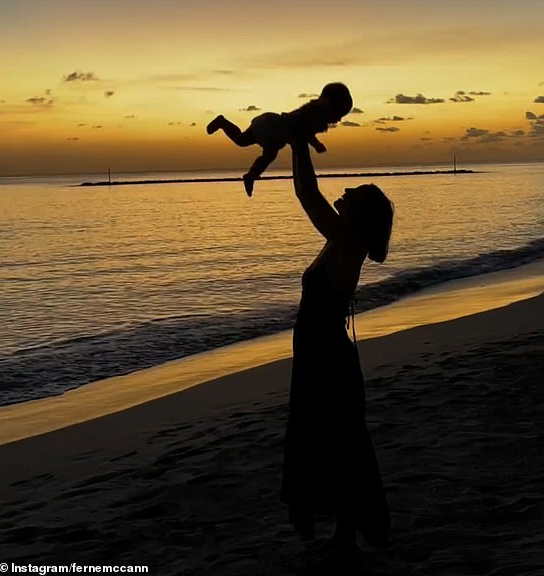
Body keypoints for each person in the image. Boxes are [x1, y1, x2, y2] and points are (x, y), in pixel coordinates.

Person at [281, 130, 393, 572]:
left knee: (343, 448)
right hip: (318, 358)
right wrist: (296, 143)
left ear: (360, 214)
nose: (343, 192)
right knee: (331, 445)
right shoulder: (338, 241)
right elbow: (309, 194)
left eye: (354, 193)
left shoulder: (349, 243)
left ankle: (346, 540)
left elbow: (308, 193)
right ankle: (342, 538)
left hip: (328, 360)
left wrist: (296, 140)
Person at [206, 83, 353, 197]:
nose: (339, 119)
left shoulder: (313, 113)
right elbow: (303, 130)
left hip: (270, 123)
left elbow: (305, 131)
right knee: (268, 155)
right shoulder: (315, 115)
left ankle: (223, 123)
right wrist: (313, 145)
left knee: (243, 141)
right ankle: (250, 176)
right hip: (274, 129)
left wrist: (315, 144)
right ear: (327, 105)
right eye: (338, 114)